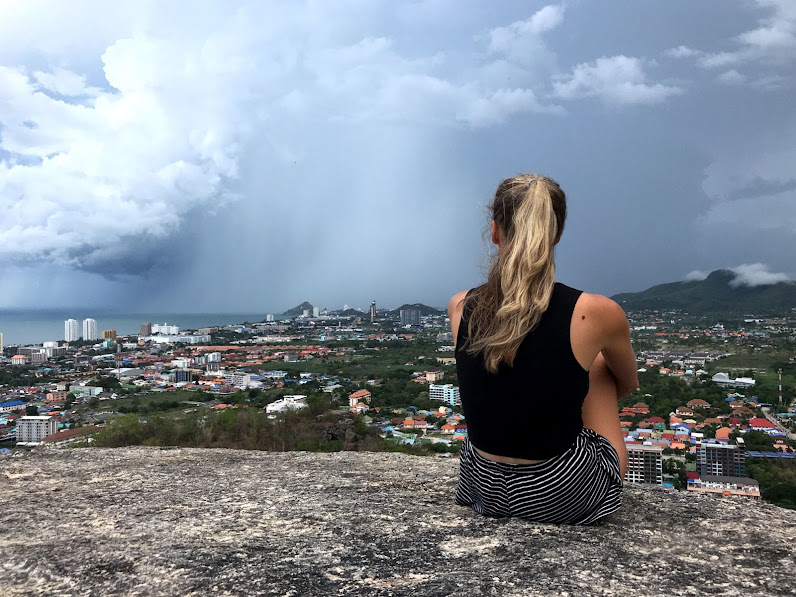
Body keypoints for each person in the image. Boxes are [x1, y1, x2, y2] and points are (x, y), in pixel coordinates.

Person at [448, 173, 638, 525]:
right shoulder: (595, 313)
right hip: (560, 491)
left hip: (480, 485)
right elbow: (626, 383)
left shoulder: (460, 305)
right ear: (556, 234)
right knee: (596, 364)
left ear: (495, 231)